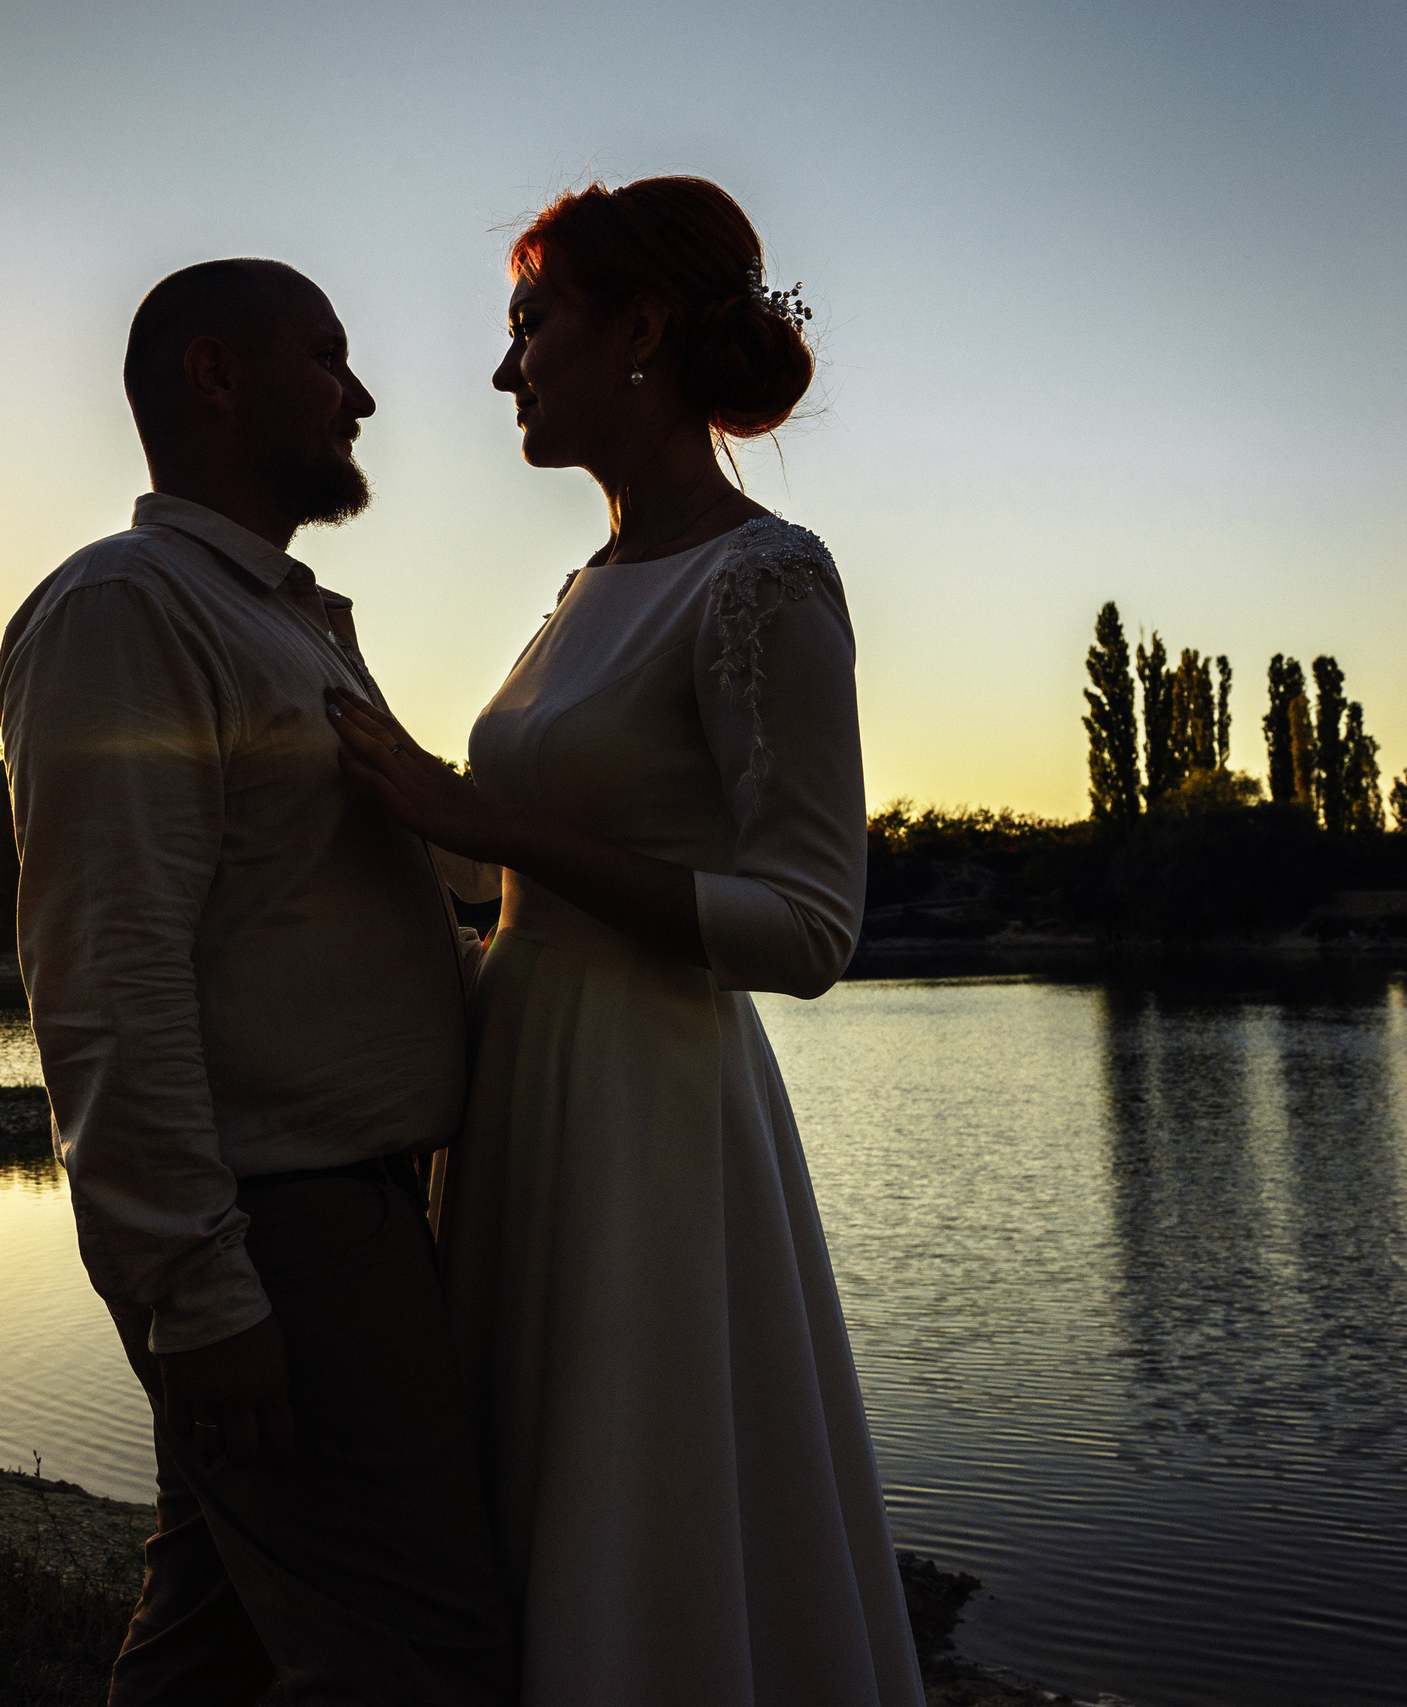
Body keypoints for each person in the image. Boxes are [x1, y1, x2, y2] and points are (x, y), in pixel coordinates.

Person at [325, 178, 926, 1705]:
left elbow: (808, 926)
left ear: (643, 331)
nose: (503, 368)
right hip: (518, 1091)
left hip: (652, 1117)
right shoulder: (589, 586)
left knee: (639, 1506)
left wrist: (499, 829)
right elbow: (494, 855)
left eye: (532, 324)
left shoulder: (766, 579)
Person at [0, 259, 514, 1706]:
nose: (360, 394)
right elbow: (104, 967)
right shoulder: (123, 612)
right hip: (284, 1223)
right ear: (214, 376)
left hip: (349, 1209)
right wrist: (202, 1285)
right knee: (428, 1659)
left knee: (211, 1646)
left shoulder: (274, 615)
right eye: (328, 357)